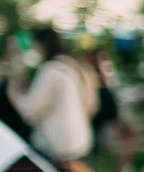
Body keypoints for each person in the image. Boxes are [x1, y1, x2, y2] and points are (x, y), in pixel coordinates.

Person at [9, 25, 97, 164]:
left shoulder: (50, 70)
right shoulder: (76, 67)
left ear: (41, 46)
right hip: (82, 143)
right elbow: (91, 107)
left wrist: (14, 93)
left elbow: (30, 112)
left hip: (59, 148)